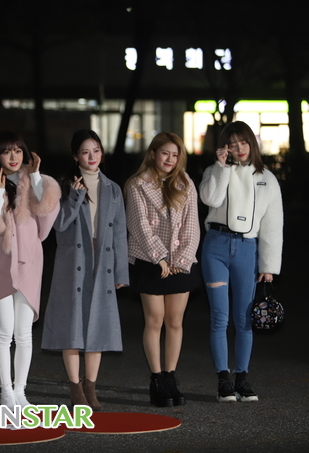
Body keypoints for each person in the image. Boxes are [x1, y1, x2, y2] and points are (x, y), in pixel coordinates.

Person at [0, 131, 60, 408]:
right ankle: (6, 393)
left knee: (24, 333)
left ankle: (20, 393)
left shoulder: (34, 182)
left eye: (18, 151)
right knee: (4, 332)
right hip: (1, 263)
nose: (13, 157)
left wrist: (37, 177)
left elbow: (45, 219)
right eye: (7, 152)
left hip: (30, 261)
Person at [42, 130, 129, 411]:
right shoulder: (64, 186)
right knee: (72, 324)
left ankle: (91, 388)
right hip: (73, 259)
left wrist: (121, 273)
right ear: (75, 156)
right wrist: (76, 196)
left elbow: (119, 233)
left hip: (102, 259)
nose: (92, 157)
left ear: (102, 153)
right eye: (85, 152)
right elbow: (59, 225)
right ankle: (75, 388)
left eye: (96, 150)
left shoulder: (113, 189)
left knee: (98, 325)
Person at [199, 121, 283, 402]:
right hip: (216, 246)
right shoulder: (214, 170)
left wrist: (269, 266)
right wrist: (221, 168)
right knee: (219, 317)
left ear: (252, 143)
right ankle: (223, 379)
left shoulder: (267, 178)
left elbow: (273, 225)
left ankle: (242, 379)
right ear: (224, 148)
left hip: (247, 249)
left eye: (243, 142)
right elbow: (209, 198)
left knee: (244, 318)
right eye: (232, 144)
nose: (239, 148)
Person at [125, 132, 200, 407]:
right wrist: (160, 258)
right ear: (153, 153)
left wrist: (181, 260)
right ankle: (156, 379)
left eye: (175, 154)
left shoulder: (185, 183)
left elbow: (192, 225)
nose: (170, 159)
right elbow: (138, 224)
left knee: (175, 321)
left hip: (180, 263)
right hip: (148, 260)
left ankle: (170, 377)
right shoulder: (137, 184)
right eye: (165, 153)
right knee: (155, 320)